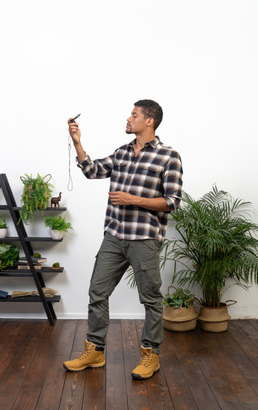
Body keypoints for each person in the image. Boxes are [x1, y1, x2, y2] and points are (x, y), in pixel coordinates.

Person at [63, 99, 183, 380]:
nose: (128, 118)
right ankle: (95, 351)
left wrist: (133, 200)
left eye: (134, 114)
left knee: (151, 299)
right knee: (97, 292)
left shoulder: (169, 156)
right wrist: (77, 142)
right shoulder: (122, 152)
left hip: (144, 239)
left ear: (149, 121)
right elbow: (92, 170)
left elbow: (173, 201)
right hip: (114, 237)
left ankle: (150, 357)